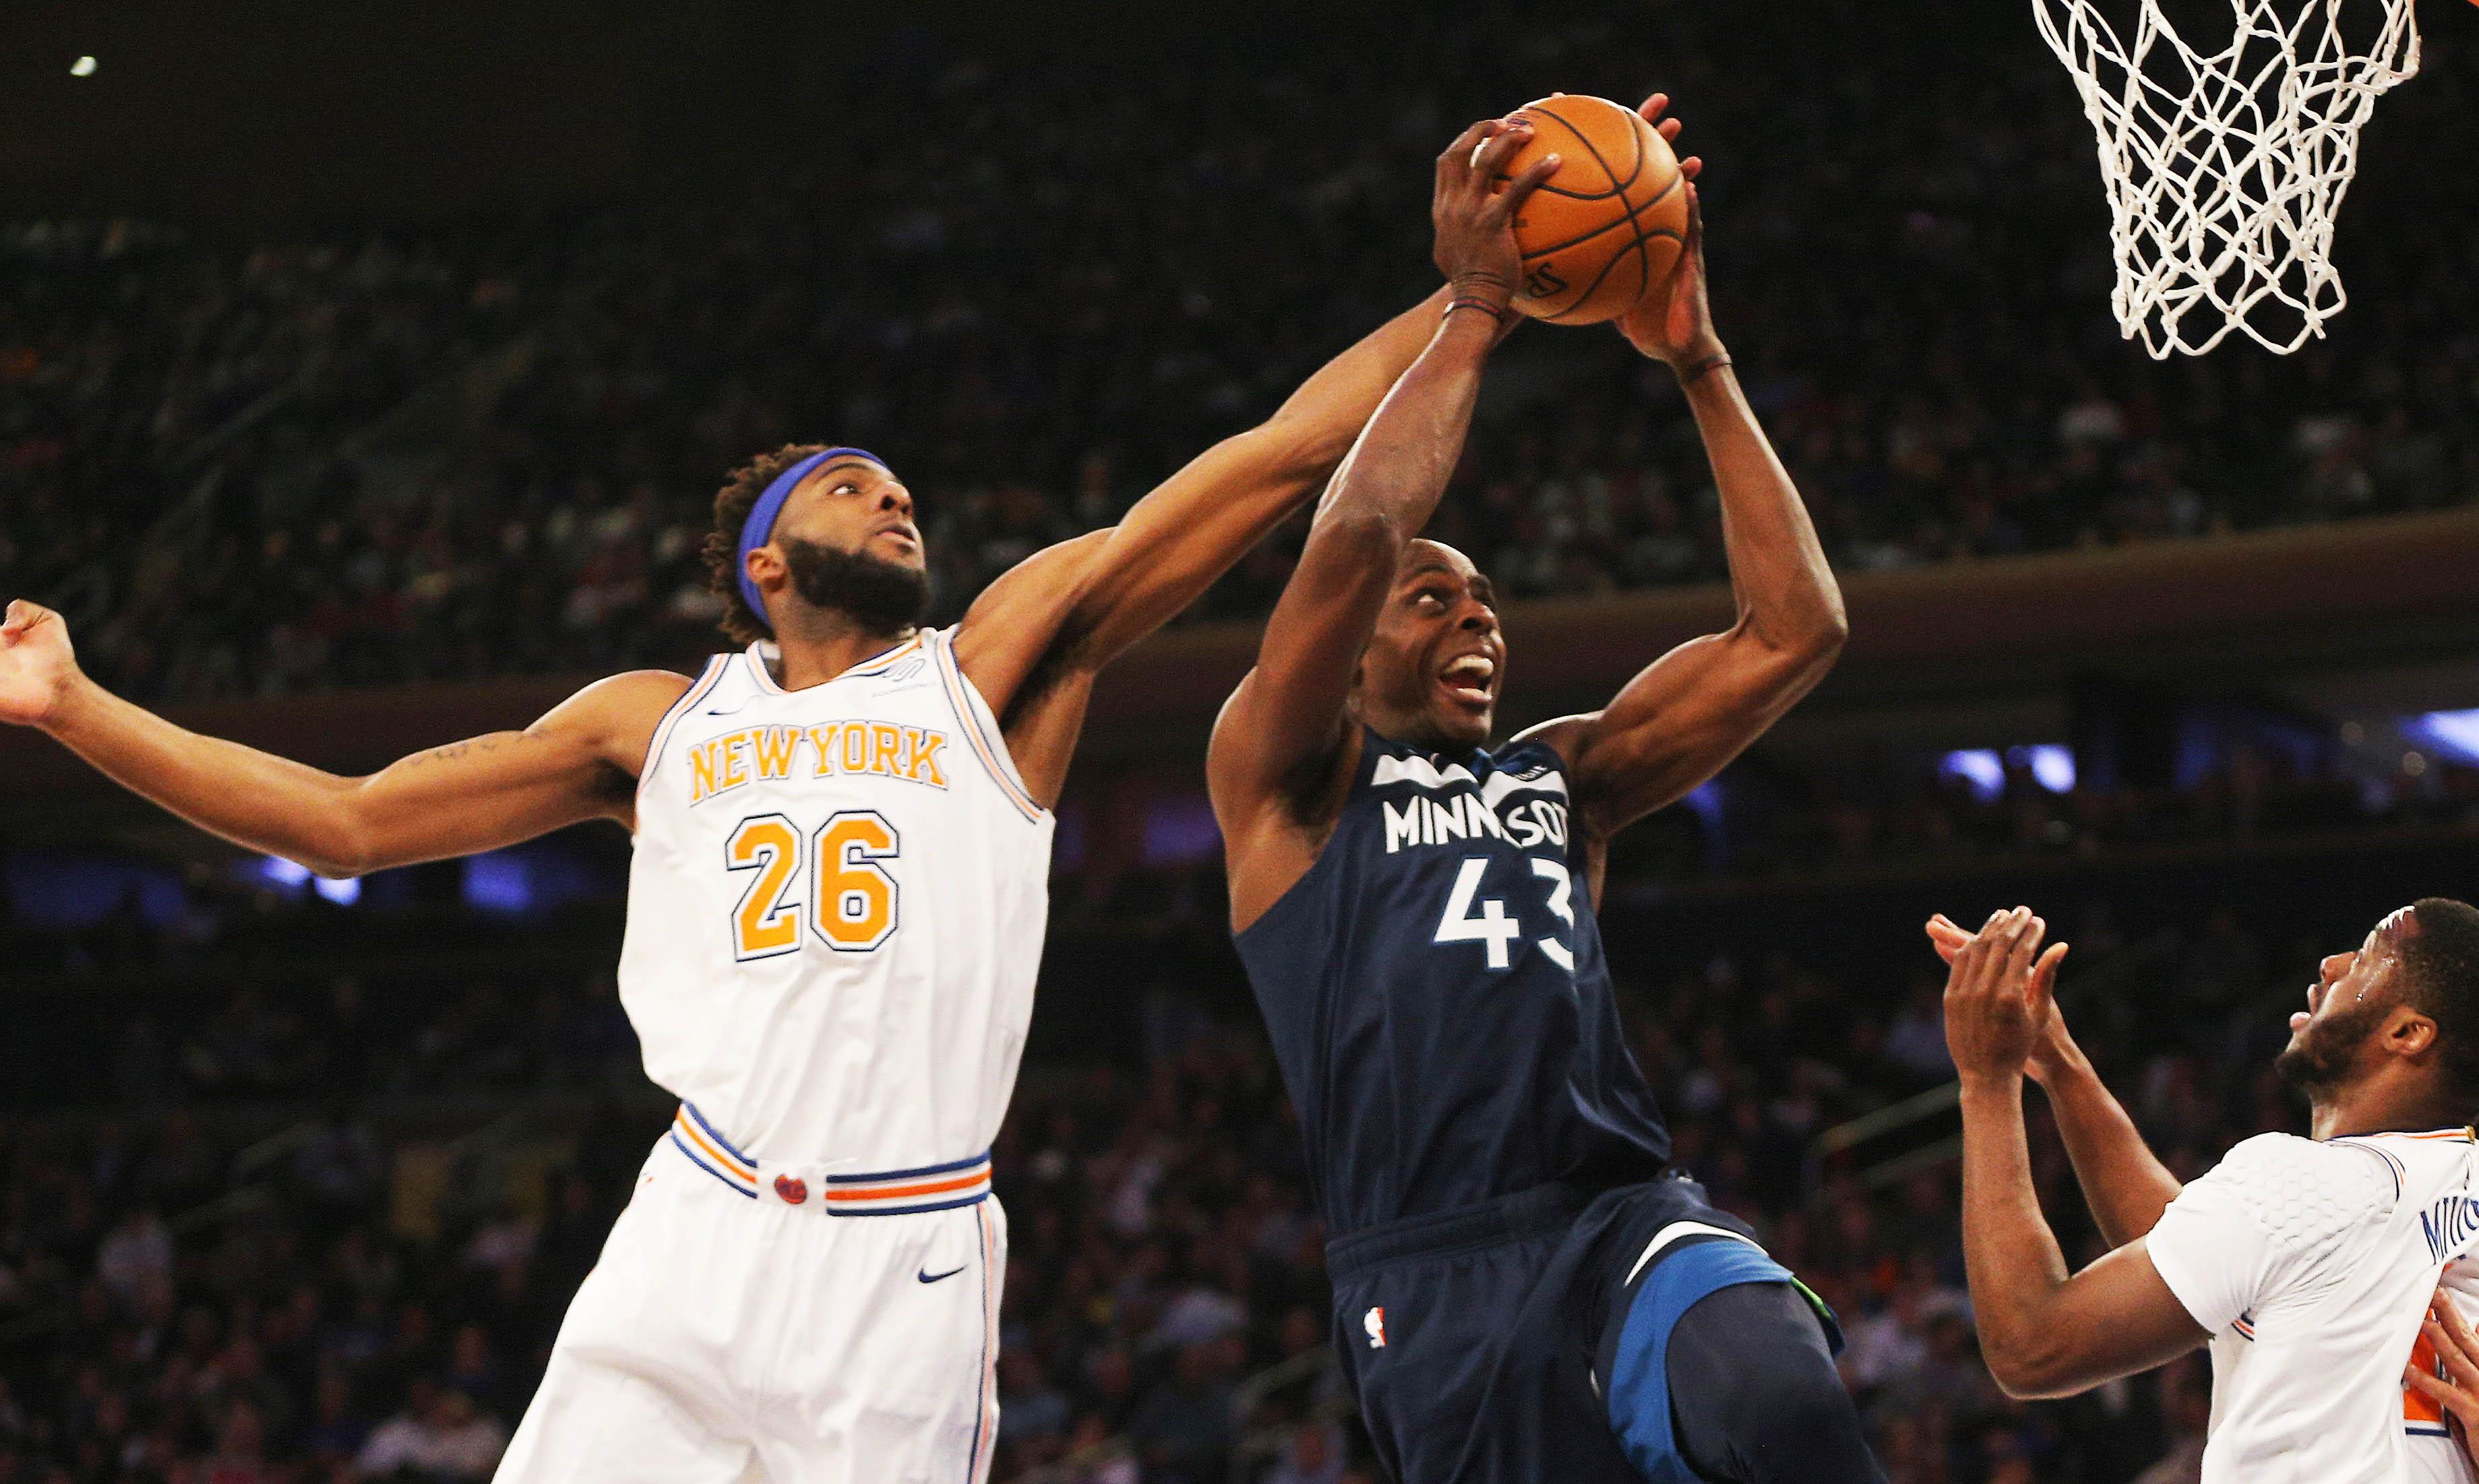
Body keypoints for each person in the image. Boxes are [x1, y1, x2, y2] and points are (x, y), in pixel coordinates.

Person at [0, 163, 1518, 1481]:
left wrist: (1466, 301)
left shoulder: (992, 668)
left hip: (900, 1260)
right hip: (696, 1222)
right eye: (853, 491)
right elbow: (341, 821)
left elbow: (1273, 457)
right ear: (764, 566)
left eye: (904, 491)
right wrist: (75, 704)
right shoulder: (654, 723)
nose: (896, 503)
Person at [1206, 94, 1873, 1484]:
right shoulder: (1291, 784)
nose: (1478, 622)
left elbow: (1793, 635)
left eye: (1492, 604)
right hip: (1433, 1268)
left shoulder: (1561, 778)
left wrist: (1701, 367)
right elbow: (1358, 534)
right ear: (1356, 652)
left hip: (1624, 1213)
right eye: (1436, 601)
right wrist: (1476, 310)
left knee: (1782, 1400)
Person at [1934, 898, 2479, 1484]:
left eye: (2369, 958)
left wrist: (1987, 1079)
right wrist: (2061, 1063)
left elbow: (2032, 1347)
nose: (2333, 963)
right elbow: (2199, 1250)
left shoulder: (2308, 1187)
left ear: (2408, 1033)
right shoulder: (2426, 1185)